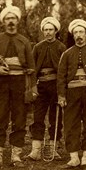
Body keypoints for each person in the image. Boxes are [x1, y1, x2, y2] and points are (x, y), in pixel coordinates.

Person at [0, 6, 36, 168]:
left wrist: (33, 88)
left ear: (18, 21)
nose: (11, 22)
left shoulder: (24, 41)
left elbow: (32, 66)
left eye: (13, 18)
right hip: (0, 84)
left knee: (19, 119)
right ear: (3, 22)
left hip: (20, 83)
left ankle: (16, 156)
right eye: (7, 19)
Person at [57, 19, 86, 169]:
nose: (79, 35)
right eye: (76, 32)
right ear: (73, 35)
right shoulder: (66, 54)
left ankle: (85, 157)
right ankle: (73, 158)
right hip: (72, 92)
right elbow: (61, 77)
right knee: (71, 123)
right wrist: (61, 95)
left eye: (81, 32)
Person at [27, 16, 66, 161]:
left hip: (56, 86)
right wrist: (33, 87)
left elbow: (65, 70)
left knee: (56, 118)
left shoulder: (61, 47)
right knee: (38, 117)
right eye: (46, 30)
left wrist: (62, 91)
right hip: (41, 86)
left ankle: (53, 148)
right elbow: (31, 69)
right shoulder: (37, 47)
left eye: (51, 30)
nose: (48, 32)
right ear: (43, 31)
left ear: (56, 31)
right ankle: (35, 150)